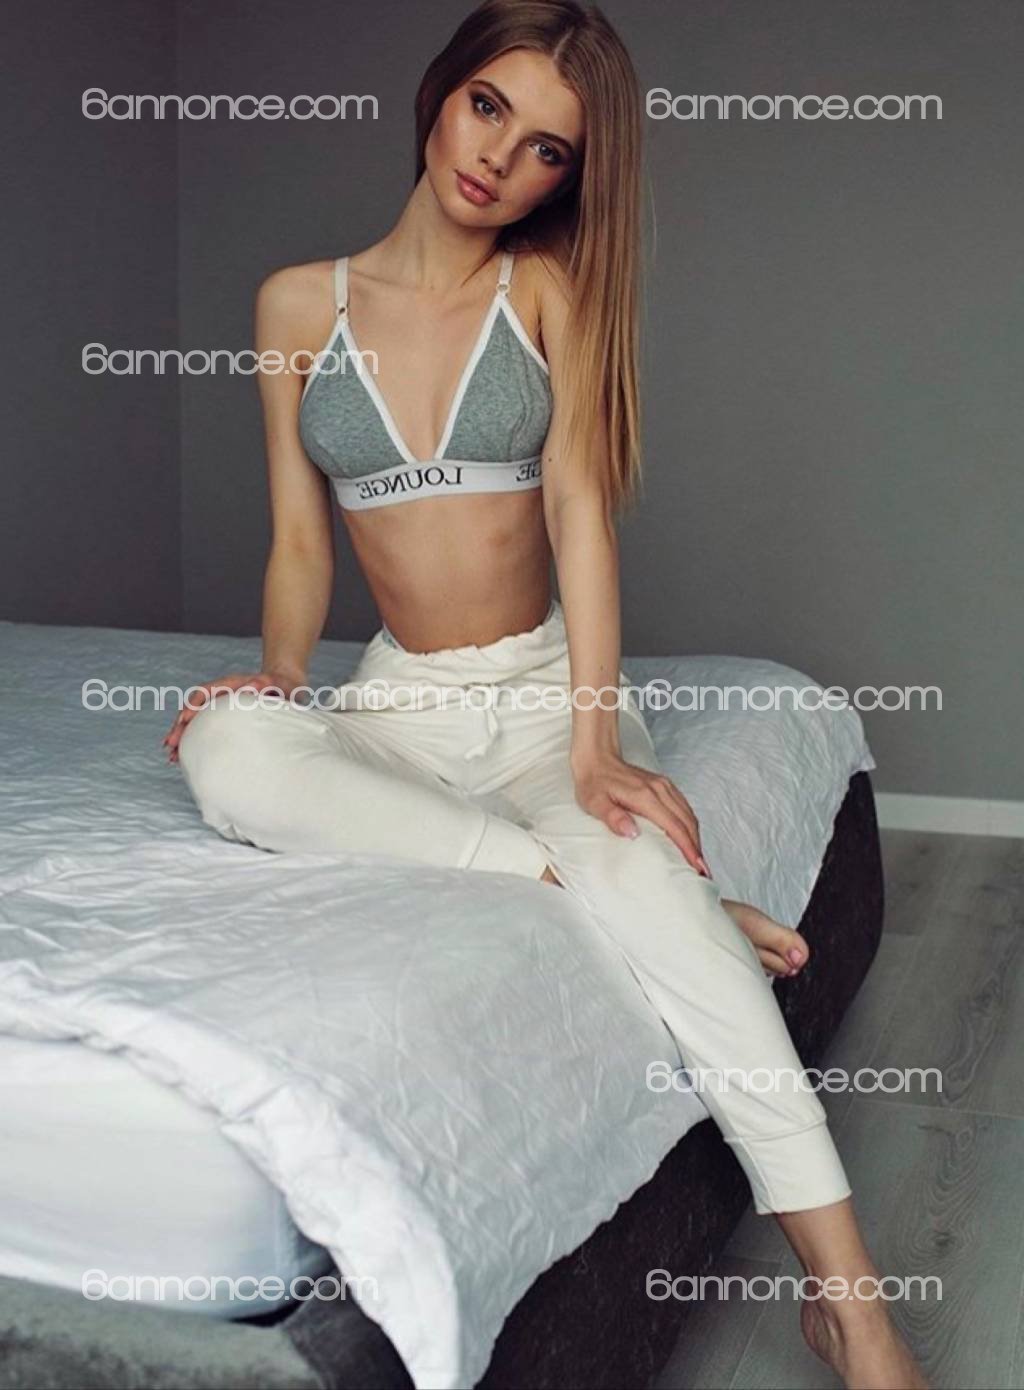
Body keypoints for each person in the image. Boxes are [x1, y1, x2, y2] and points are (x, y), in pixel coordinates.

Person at [162, 2, 927, 1384]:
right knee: (224, 748)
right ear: (440, 92)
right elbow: (299, 544)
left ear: (568, 179)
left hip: (539, 699)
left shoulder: (542, 296)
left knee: (629, 850)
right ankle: (634, 897)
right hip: (397, 705)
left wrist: (593, 747)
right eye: (489, 109)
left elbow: (580, 518)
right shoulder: (293, 305)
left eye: (548, 151)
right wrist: (276, 680)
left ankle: (852, 1301)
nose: (501, 159)